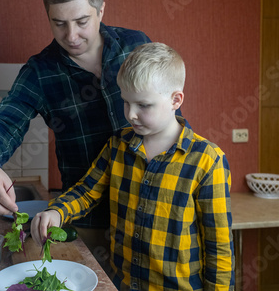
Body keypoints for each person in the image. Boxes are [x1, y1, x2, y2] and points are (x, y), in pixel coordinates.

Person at [31, 42, 235, 290]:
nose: (131, 114)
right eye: (126, 102)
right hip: (123, 284)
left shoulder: (207, 160)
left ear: (175, 100)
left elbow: (219, 248)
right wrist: (58, 211)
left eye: (144, 105)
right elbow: (86, 191)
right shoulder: (118, 144)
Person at [0, 0, 151, 231]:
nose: (71, 36)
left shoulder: (136, 46)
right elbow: (4, 122)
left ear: (101, 10)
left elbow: (170, 118)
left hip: (148, 214)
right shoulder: (40, 71)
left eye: (81, 22)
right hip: (86, 221)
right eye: (59, 23)